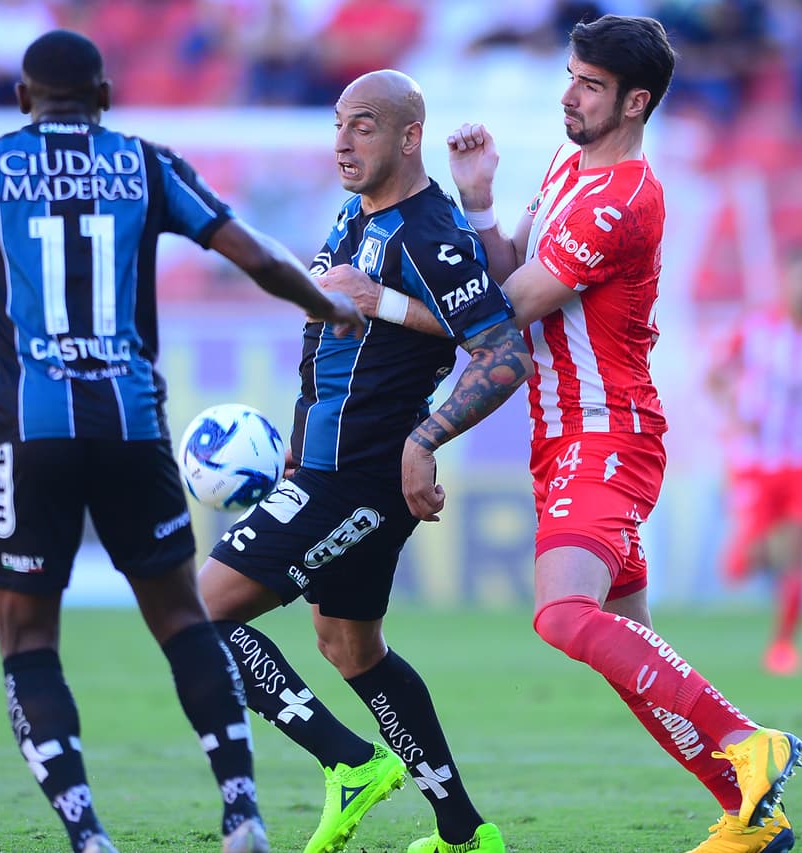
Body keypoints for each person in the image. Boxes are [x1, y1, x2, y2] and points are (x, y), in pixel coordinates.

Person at [0, 29, 364, 853]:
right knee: (181, 618)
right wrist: (326, 301)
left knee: (27, 641)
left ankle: (89, 834)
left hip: (28, 430)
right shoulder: (146, 163)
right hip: (131, 423)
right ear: (104, 96)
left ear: (24, 99)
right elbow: (253, 255)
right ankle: (243, 810)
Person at [320, 16, 802, 853]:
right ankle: (747, 812)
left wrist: (387, 303)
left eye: (587, 84)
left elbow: (504, 310)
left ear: (635, 102)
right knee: (636, 654)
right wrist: (477, 198)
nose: (568, 94)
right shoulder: (569, 166)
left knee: (561, 614)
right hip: (565, 435)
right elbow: (508, 264)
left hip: (603, 433)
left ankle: (745, 738)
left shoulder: (628, 197)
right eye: (571, 75)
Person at [197, 69, 532, 853]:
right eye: (338, 125)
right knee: (351, 646)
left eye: (365, 126)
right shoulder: (353, 216)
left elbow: (501, 351)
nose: (343, 142)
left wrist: (425, 440)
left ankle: (348, 762)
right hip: (319, 469)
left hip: (357, 479)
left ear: (409, 137)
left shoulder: (429, 235)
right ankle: (463, 833)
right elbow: (332, 348)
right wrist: (293, 442)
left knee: (195, 613)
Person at [706, 246, 802, 676]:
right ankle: (746, 554)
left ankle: (783, 647)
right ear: (784, 282)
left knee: (796, 547)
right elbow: (715, 377)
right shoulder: (755, 330)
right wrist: (737, 414)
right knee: (747, 561)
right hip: (755, 460)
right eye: (800, 279)